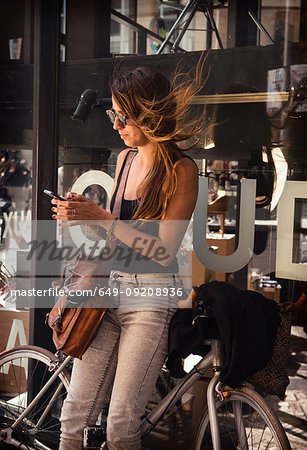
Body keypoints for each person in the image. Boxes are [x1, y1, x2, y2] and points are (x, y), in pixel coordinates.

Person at [51, 64, 204, 449]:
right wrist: (80, 217)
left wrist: (102, 218)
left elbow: (162, 250)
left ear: (150, 114)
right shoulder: (125, 160)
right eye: (112, 114)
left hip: (150, 300)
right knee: (73, 417)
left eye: (124, 116)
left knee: (121, 425)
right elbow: (115, 238)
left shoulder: (182, 170)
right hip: (108, 290)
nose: (116, 124)